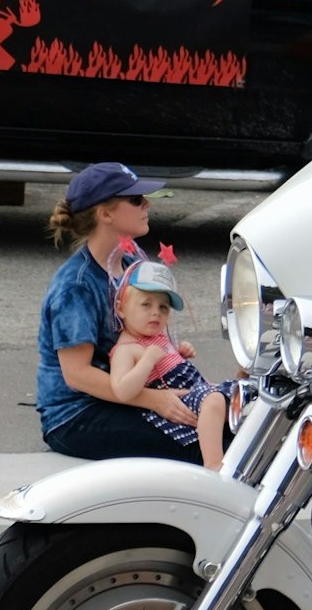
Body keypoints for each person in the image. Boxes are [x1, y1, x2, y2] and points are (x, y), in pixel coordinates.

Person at [36, 161, 205, 462]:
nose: (147, 204)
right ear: (106, 213)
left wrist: (169, 354)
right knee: (197, 445)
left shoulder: (128, 266)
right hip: (77, 415)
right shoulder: (76, 286)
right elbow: (77, 376)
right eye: (135, 199)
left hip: (125, 396)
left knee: (224, 425)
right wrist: (155, 400)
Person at [108, 260, 233, 471]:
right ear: (121, 308)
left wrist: (180, 352)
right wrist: (147, 361)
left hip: (196, 390)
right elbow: (122, 390)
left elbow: (171, 364)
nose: (156, 312)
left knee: (239, 393)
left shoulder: (156, 338)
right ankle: (212, 462)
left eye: (163, 307)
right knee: (213, 401)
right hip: (179, 400)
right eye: (146, 304)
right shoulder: (126, 349)